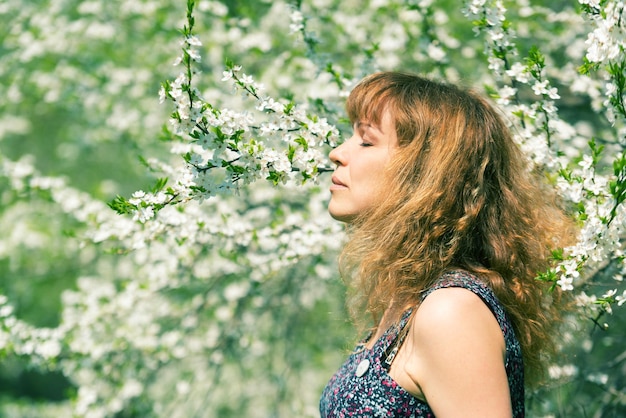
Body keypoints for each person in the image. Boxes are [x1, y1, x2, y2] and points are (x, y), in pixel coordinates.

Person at [319, 72, 574, 417]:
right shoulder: (409, 299)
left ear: (425, 172)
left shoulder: (450, 312)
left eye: (366, 141)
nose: (337, 153)